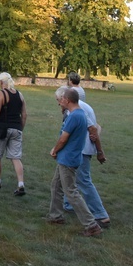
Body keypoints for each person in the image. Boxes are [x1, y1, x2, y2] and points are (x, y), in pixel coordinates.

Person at [46, 88, 102, 237]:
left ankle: (91, 225)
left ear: (68, 100)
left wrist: (55, 150)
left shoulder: (75, 116)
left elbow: (64, 138)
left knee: (71, 192)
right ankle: (55, 216)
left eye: (62, 99)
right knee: (56, 185)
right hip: (68, 157)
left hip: (68, 159)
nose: (60, 102)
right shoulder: (80, 114)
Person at [59, 87, 110, 228]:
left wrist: (100, 151)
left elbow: (93, 129)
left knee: (84, 181)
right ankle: (68, 205)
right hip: (80, 148)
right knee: (70, 178)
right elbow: (96, 127)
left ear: (66, 99)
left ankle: (101, 215)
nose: (59, 103)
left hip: (82, 149)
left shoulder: (78, 109)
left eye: (59, 100)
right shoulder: (80, 107)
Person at [0, 72, 27, 195]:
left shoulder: (1, 93)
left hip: (2, 129)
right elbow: (24, 115)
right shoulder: (20, 94)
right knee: (16, 157)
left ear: (1, 82)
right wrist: (20, 128)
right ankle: (21, 184)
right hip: (17, 128)